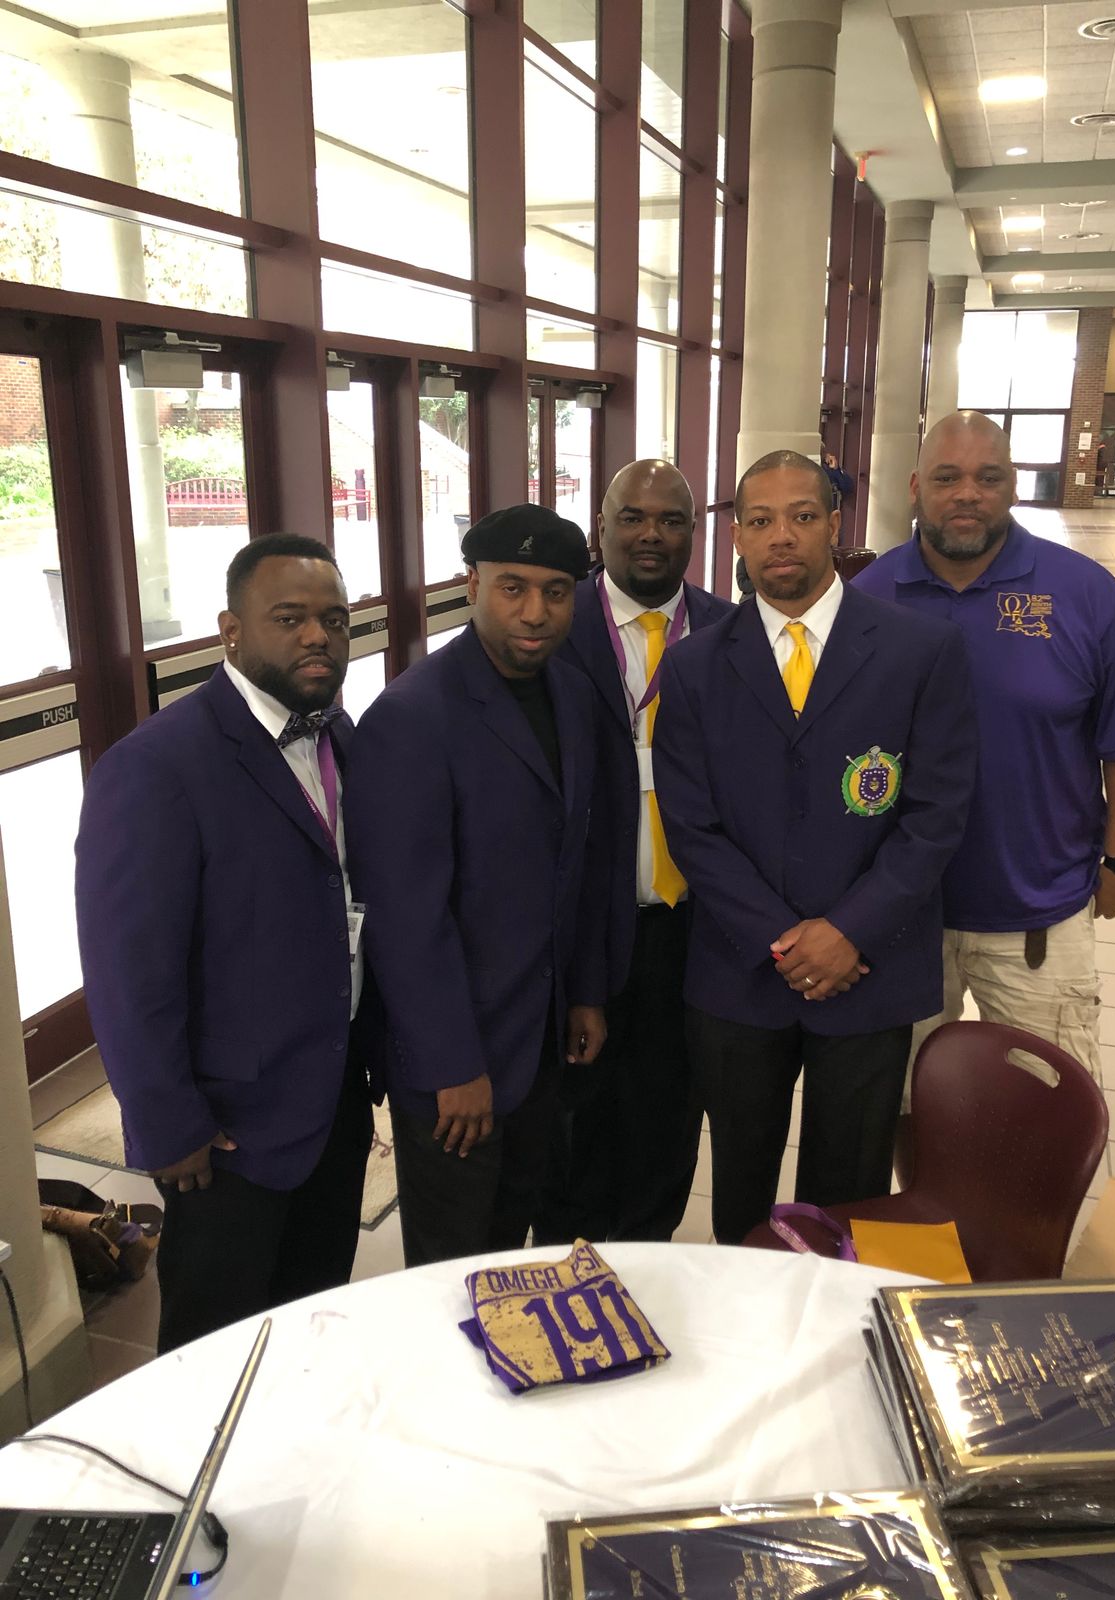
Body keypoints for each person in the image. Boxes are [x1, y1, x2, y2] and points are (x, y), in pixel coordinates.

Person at [653, 451, 976, 1245]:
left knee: (849, 1191)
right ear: (737, 534)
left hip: (870, 968)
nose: (782, 537)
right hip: (741, 972)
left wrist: (848, 932)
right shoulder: (694, 665)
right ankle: (749, 1311)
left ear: (835, 522)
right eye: (760, 520)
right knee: (741, 1187)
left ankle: (831, 1315)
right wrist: (783, 939)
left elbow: (935, 814)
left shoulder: (920, 650)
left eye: (801, 516)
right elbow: (691, 825)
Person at [75, 535, 376, 1353]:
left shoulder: (341, 737)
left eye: (334, 620)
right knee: (215, 1345)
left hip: (334, 1099)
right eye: (290, 618)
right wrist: (169, 1125)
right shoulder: (157, 767)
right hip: (226, 1130)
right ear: (231, 631)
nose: (317, 636)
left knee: (311, 1320)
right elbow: (128, 973)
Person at [854, 411, 1115, 1161]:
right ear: (914, 487)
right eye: (947, 477)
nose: (967, 493)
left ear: (1014, 485)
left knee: (1044, 1119)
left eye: (987, 477)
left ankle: (1020, 1233)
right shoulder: (867, 595)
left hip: (1038, 915)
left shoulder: (1087, 596)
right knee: (902, 1103)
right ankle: (925, 1216)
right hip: (900, 916)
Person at [345, 505, 608, 1267]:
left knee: (509, 1245)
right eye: (512, 588)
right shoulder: (412, 716)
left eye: (555, 592)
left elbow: (576, 862)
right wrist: (450, 1065)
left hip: (540, 1043)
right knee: (450, 1264)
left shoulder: (572, 694)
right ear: (472, 586)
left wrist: (584, 993)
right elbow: (404, 917)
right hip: (456, 1063)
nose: (535, 613)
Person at [540, 460, 734, 1243]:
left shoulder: (731, 631)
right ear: (602, 528)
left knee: (669, 1116)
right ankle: (568, 1273)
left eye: (671, 519)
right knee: (574, 1124)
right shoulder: (554, 630)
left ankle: (649, 1262)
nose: (651, 534)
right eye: (632, 517)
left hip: (694, 927)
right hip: (583, 924)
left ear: (694, 532)